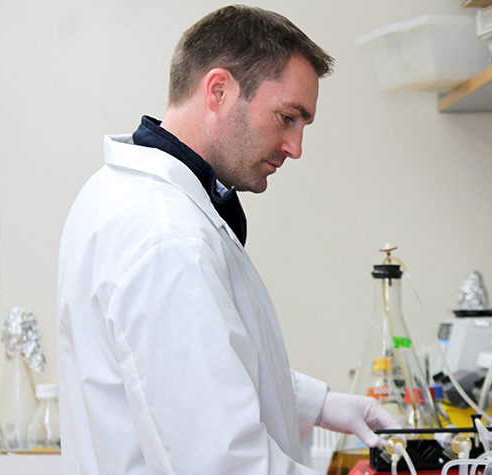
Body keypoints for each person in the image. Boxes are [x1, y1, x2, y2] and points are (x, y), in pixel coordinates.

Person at [57, 6, 396, 473]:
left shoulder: (117, 192)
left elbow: (188, 375)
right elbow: (221, 462)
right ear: (219, 90)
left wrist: (320, 405)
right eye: (287, 118)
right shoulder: (166, 239)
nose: (295, 148)